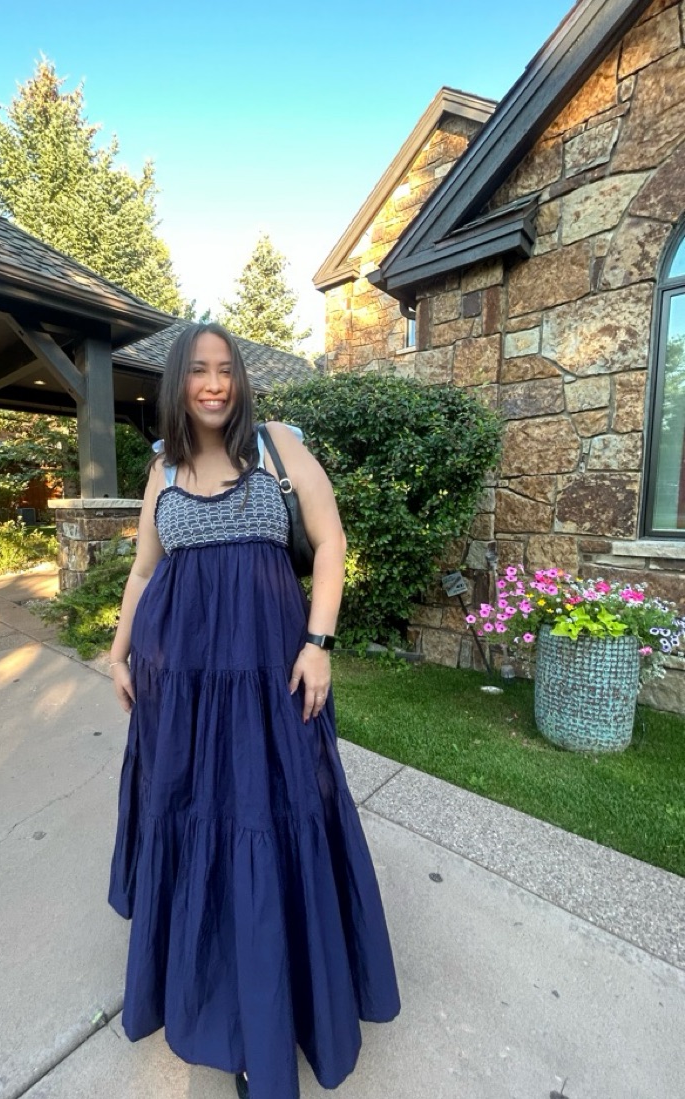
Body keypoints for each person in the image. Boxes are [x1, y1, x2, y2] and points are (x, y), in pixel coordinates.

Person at [107, 323, 400, 1099]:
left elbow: (330, 542)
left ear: (240, 379)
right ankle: (215, 1001)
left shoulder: (278, 446)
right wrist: (118, 650)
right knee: (198, 820)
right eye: (198, 371)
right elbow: (144, 571)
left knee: (266, 822)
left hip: (268, 681)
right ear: (178, 382)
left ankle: (271, 1014)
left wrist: (319, 643)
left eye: (225, 370)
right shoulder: (163, 469)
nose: (213, 384)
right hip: (180, 688)